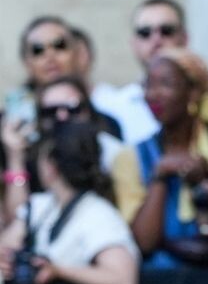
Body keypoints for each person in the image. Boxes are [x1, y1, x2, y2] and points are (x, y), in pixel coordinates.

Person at [111, 49, 208, 268]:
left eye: (165, 84)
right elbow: (144, 243)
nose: (153, 94)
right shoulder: (131, 157)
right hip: (155, 283)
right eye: (148, 85)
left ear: (193, 93)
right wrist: (160, 176)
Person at [0, 118, 141, 284]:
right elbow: (8, 242)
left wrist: (58, 271)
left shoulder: (98, 215)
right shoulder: (43, 205)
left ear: (51, 166)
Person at [93, 0, 208, 146]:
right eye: (145, 32)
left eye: (167, 31)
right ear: (134, 43)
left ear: (184, 38)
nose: (156, 40)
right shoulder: (112, 107)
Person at [1, 75, 125, 222]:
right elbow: (18, 220)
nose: (61, 117)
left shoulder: (114, 152)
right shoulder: (36, 157)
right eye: (50, 111)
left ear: (88, 111)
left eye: (72, 109)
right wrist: (15, 159)